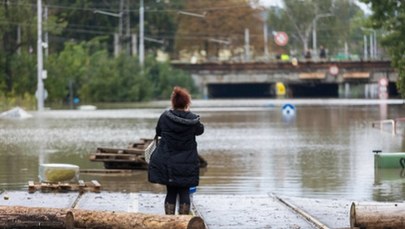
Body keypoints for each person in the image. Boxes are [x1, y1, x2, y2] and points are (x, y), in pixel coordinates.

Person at [148, 86, 204, 215]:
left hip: (169, 162)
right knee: (184, 191)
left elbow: (158, 132)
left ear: (173, 102)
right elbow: (200, 131)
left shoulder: (164, 117)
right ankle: (184, 222)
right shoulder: (193, 119)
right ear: (187, 103)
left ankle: (170, 222)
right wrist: (189, 112)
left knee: (171, 191)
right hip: (187, 162)